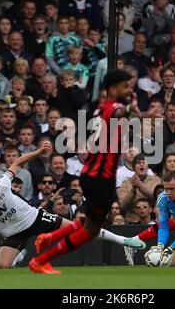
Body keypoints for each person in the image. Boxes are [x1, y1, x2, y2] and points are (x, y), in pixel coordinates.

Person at [0, 141, 145, 270]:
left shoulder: (1, 184)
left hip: (36, 219)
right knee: (0, 268)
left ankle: (125, 240)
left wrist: (37, 152)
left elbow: (15, 163)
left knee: (81, 229)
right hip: (15, 234)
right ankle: (20, 253)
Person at [30, 69, 144, 274]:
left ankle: (50, 238)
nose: (129, 90)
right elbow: (118, 112)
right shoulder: (113, 107)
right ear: (112, 88)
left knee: (90, 221)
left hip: (93, 174)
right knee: (91, 231)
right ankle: (41, 261)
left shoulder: (100, 107)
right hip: (102, 177)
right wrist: (134, 110)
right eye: (125, 86)